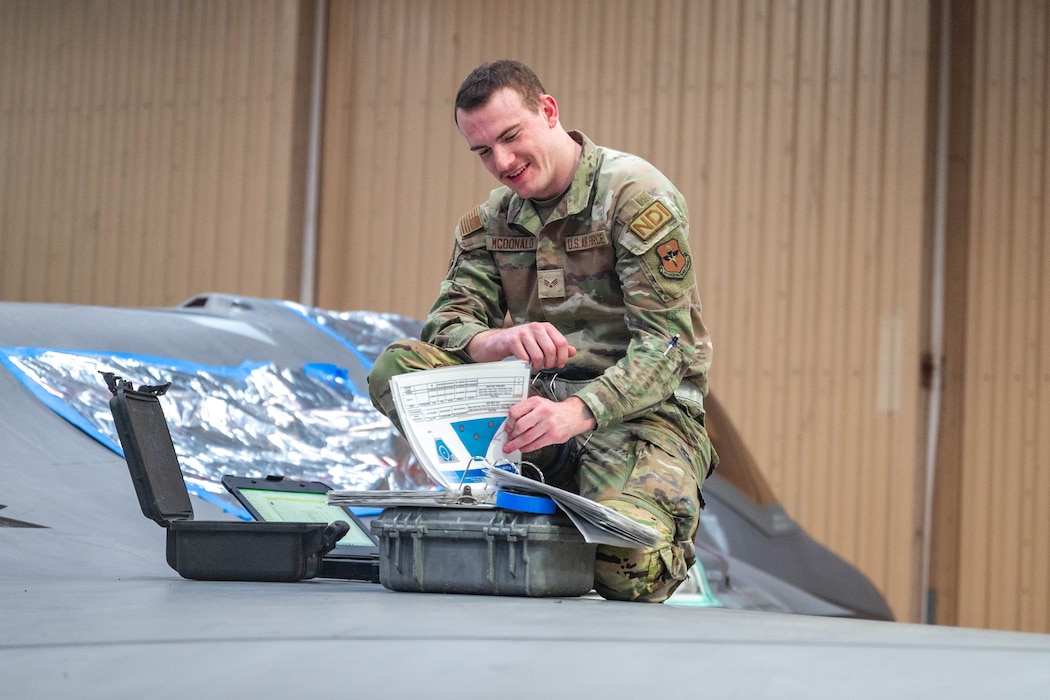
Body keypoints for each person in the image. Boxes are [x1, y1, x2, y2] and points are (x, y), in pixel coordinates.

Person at [368, 59, 716, 602]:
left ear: (548, 111)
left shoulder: (634, 197)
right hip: (530, 411)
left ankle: (651, 506)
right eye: (483, 151)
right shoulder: (489, 221)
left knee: (628, 569)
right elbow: (445, 326)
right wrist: (495, 341)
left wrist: (576, 415)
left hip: (633, 416)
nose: (502, 162)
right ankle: (532, 478)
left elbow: (667, 348)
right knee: (396, 368)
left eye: (510, 137)